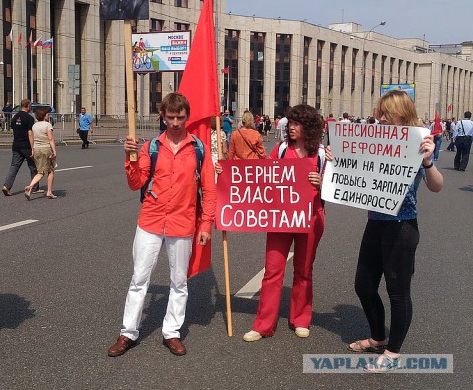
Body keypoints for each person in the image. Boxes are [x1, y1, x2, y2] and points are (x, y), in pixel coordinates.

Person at [107, 93, 216, 358]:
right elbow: (136, 183)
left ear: (186, 117)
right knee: (139, 279)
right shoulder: (151, 147)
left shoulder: (199, 149)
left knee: (179, 282)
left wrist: (206, 225)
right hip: (150, 221)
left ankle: (172, 333)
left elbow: (209, 190)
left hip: (183, 223)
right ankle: (128, 333)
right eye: (171, 117)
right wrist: (130, 158)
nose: (176, 122)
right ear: (163, 117)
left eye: (180, 117)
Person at [344, 90, 443, 373]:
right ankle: (378, 336)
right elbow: (355, 174)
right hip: (375, 222)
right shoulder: (372, 138)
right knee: (363, 284)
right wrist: (337, 158)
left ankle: (393, 351)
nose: (381, 117)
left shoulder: (419, 140)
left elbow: (436, 186)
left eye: (386, 112)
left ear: (401, 113)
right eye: (380, 112)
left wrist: (427, 161)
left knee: (398, 292)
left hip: (402, 226)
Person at [241, 104, 325, 343]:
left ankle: (300, 319)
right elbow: (262, 177)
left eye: (297, 124)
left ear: (309, 127)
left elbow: (336, 188)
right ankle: (263, 324)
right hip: (280, 218)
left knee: (304, 270)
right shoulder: (279, 150)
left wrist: (321, 183)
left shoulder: (319, 154)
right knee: (273, 271)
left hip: (311, 217)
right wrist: (225, 171)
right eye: (290, 123)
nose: (291, 128)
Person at [2, 99, 38, 195]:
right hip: (26, 146)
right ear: (28, 106)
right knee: (33, 166)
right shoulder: (29, 118)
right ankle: (34, 188)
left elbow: (14, 130)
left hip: (16, 145)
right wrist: (33, 147)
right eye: (30, 106)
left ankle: (7, 186)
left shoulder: (15, 117)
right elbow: (30, 134)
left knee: (14, 166)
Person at [25, 107, 58, 199]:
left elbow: (32, 137)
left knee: (40, 171)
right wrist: (54, 151)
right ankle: (48, 191)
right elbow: (50, 139)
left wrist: (32, 149)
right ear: (43, 115)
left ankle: (30, 187)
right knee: (50, 171)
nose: (48, 116)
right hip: (46, 148)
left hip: (37, 149)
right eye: (47, 114)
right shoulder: (47, 125)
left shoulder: (34, 126)